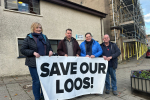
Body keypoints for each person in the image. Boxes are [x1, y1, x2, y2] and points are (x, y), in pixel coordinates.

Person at [20, 22, 53, 100]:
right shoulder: (29, 38)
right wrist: (33, 52)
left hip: (44, 64)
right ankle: (37, 98)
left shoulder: (44, 37)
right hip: (33, 63)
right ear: (33, 28)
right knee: (37, 81)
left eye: (40, 27)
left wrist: (51, 51)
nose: (39, 29)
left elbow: (50, 47)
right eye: (37, 27)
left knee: (44, 81)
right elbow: (23, 50)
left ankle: (43, 96)